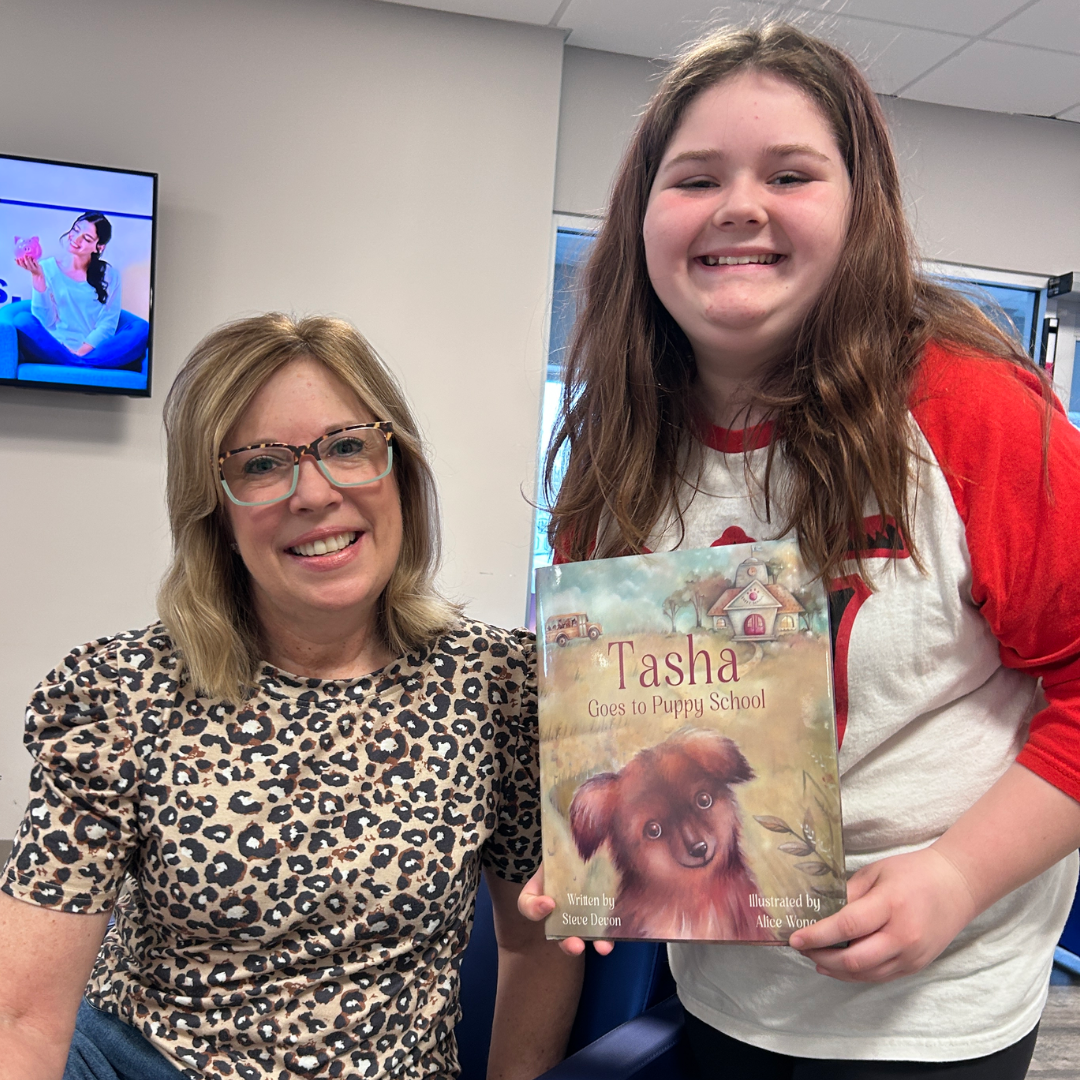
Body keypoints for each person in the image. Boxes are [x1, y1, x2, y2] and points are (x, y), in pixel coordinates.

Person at [519, 22, 1080, 1080]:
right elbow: (631, 722)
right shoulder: (617, 453)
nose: (740, 204)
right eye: (695, 178)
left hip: (933, 1017)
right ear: (644, 220)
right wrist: (592, 859)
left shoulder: (973, 411)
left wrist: (956, 875)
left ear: (859, 209)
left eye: (789, 173)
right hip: (724, 994)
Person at [0, 313, 582, 1080]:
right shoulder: (116, 694)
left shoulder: (499, 685)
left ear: (398, 469)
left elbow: (533, 941)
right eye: (263, 464)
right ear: (215, 509)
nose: (316, 492)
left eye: (348, 446)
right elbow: (23, 1018)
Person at [4, 212, 149, 369]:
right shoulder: (46, 268)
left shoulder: (110, 275)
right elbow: (44, 321)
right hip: (54, 349)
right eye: (76, 229)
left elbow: (107, 324)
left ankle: (77, 363)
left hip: (95, 352)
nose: (76, 238)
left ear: (99, 247)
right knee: (22, 321)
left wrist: (81, 353)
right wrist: (38, 278)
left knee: (141, 328)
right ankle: (81, 365)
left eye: (87, 238)